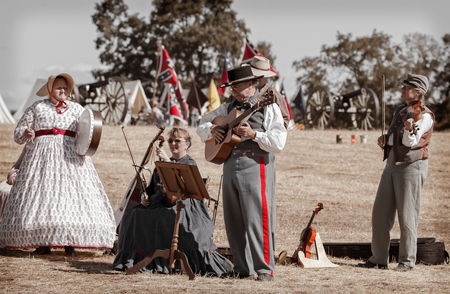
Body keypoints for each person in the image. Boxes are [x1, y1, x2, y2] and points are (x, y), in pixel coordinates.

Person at [0, 73, 116, 256]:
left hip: (70, 158)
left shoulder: (77, 109)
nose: (63, 91)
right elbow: (18, 134)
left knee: (69, 197)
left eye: (65, 88)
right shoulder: (36, 107)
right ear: (50, 90)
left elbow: (89, 130)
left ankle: (70, 244)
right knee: (42, 197)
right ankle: (43, 244)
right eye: (59, 87)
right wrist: (27, 133)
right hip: (41, 160)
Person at [196, 66, 287, 281]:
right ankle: (242, 268)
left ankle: (265, 270)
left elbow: (279, 141)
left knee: (257, 220)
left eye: (237, 88)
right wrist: (212, 130)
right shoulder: (227, 108)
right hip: (229, 165)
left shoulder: (267, 105)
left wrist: (254, 134)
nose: (234, 92)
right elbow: (201, 124)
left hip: (255, 165)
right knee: (233, 220)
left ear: (251, 84)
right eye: (232, 88)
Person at [113, 128, 233, 277]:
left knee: (169, 215)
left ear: (187, 144)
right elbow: (152, 189)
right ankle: (137, 259)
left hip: (186, 204)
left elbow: (184, 188)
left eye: (178, 140)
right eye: (170, 140)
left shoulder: (189, 163)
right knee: (132, 214)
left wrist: (167, 161)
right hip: (159, 203)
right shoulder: (160, 164)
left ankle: (173, 259)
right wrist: (145, 196)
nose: (173, 143)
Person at [358, 74, 434, 272]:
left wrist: (410, 129)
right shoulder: (401, 110)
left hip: (411, 166)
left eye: (406, 86)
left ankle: (407, 261)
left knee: (408, 215)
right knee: (380, 213)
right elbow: (395, 138)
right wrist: (386, 139)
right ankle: (378, 259)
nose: (401, 88)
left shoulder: (424, 115)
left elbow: (411, 142)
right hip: (392, 164)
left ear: (418, 92)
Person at [225, 56, 288, 252]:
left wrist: (257, 135)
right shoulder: (233, 98)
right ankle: (244, 260)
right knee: (237, 213)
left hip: (262, 151)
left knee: (263, 206)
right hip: (234, 153)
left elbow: (282, 125)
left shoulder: (272, 96)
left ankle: (267, 252)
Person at [0, 143, 29, 224]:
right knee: (4, 191)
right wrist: (13, 176)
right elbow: (17, 166)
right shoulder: (30, 145)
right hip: (22, 179)